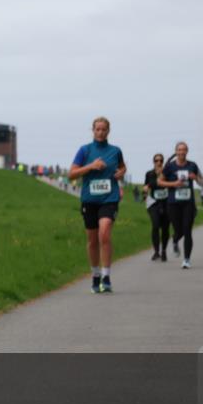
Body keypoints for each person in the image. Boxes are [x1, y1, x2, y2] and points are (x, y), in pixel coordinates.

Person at [68, 117, 126, 293]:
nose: (100, 132)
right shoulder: (84, 150)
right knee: (92, 240)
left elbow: (122, 167)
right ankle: (95, 275)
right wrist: (91, 166)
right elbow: (71, 174)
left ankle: (106, 277)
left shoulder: (115, 151)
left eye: (103, 129)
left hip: (109, 199)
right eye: (97, 129)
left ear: (108, 131)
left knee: (105, 233)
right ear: (93, 130)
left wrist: (121, 173)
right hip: (90, 200)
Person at [159, 141, 203, 269]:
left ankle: (186, 259)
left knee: (187, 230)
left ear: (187, 151)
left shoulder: (192, 165)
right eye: (179, 150)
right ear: (176, 151)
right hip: (173, 203)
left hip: (188, 203)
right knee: (178, 229)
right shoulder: (169, 167)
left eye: (184, 150)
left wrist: (195, 178)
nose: (181, 152)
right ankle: (175, 240)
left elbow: (202, 183)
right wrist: (174, 184)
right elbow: (160, 182)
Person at [143, 153, 171, 262]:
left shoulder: (168, 173)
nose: (158, 162)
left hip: (166, 202)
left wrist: (162, 176)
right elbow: (147, 185)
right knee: (155, 225)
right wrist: (145, 192)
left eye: (160, 160)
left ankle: (164, 251)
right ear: (153, 162)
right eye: (156, 160)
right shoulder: (149, 174)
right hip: (153, 203)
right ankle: (156, 251)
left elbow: (168, 184)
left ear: (163, 162)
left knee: (165, 228)